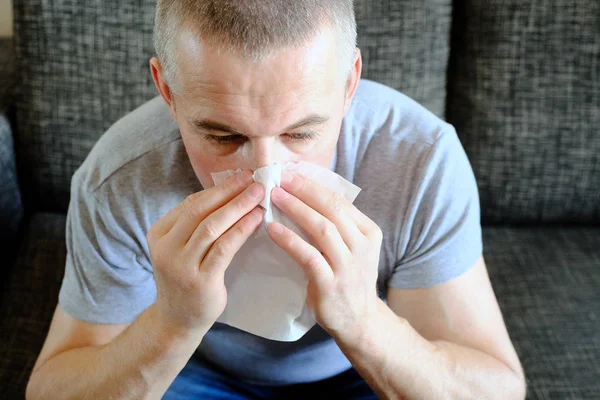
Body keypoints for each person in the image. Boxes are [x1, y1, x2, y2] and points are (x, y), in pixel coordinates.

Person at [26, 1, 526, 399]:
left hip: (360, 375)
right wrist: (171, 323)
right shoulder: (118, 179)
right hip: (191, 372)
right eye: (222, 136)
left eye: (302, 132)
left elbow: (497, 388)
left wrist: (362, 320)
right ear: (168, 91)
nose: (266, 178)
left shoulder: (419, 161)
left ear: (349, 84)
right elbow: (53, 388)